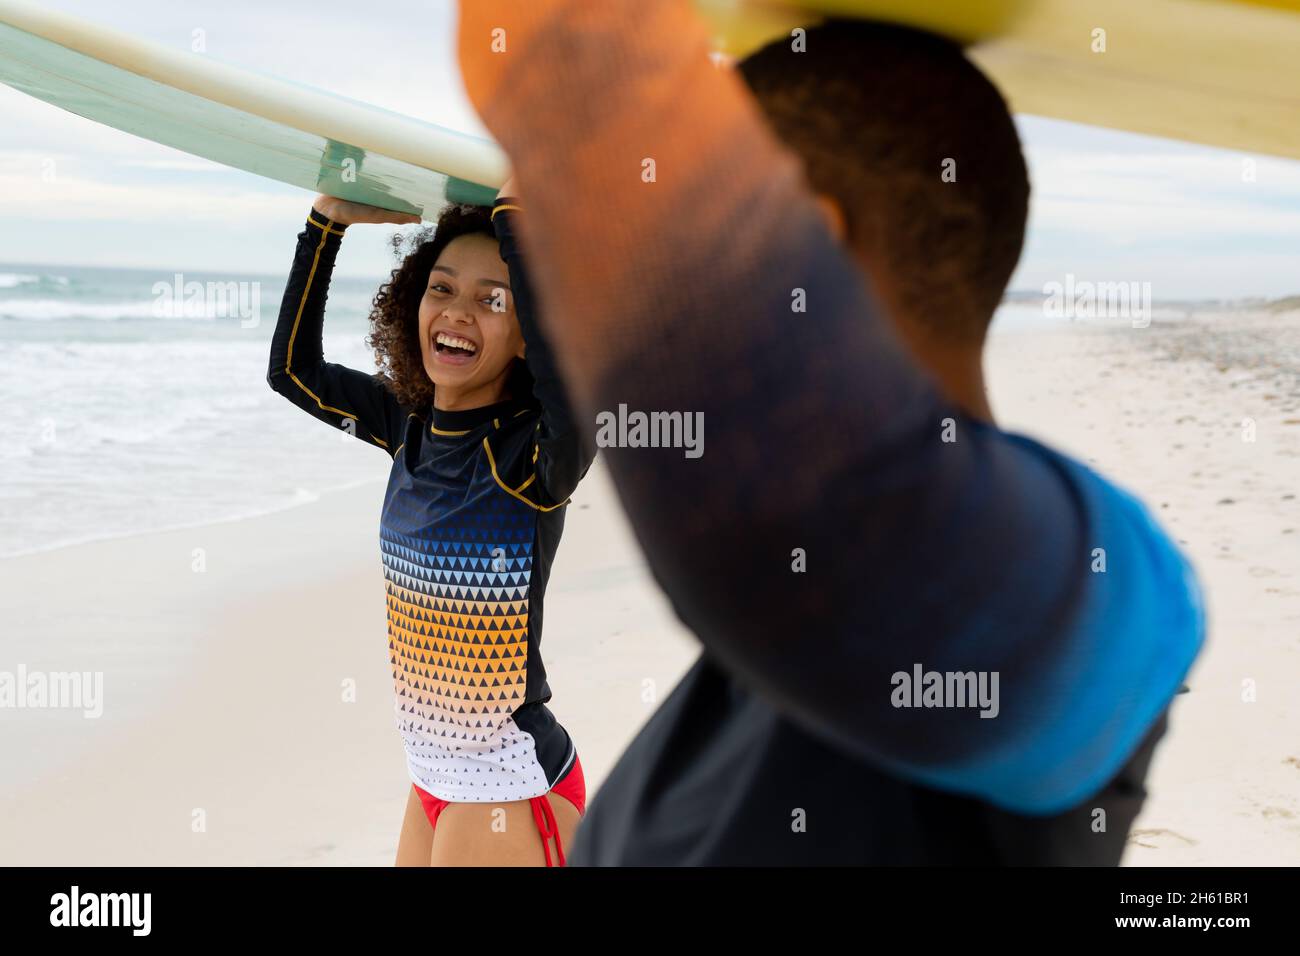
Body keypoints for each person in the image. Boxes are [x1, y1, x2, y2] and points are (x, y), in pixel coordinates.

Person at [455, 4, 1205, 865]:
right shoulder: (791, 610)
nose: (660, 261)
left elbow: (573, 48)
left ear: (809, 243)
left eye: (692, 215)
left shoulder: (1107, 585)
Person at [266, 188, 593, 866]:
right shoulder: (407, 429)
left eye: (492, 299)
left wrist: (519, 223)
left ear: (528, 328)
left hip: (509, 782)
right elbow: (292, 371)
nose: (456, 312)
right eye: (440, 288)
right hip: (433, 779)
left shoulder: (528, 459)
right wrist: (326, 223)